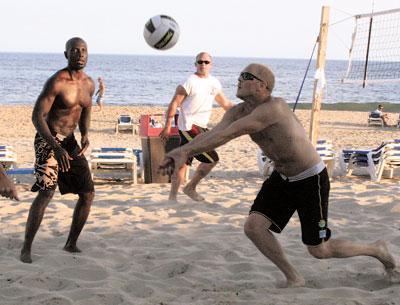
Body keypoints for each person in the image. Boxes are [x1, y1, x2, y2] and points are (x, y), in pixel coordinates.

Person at [159, 63, 399, 287]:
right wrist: (181, 151)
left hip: (309, 178)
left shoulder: (274, 108)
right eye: (240, 76)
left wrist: (185, 150)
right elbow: (215, 133)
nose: (239, 80)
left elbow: (230, 134)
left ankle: (377, 249)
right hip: (281, 176)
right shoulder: (236, 111)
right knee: (254, 227)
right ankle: (294, 277)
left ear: (263, 85)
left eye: (246, 76)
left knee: (319, 250)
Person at [20, 37, 95, 263]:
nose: (79, 55)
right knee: (46, 192)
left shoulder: (89, 84)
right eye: (74, 51)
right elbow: (37, 117)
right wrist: (55, 146)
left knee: (88, 193)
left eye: (83, 51)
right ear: (66, 55)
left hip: (71, 141)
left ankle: (71, 243)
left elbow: (86, 110)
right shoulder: (57, 82)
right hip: (48, 140)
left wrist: (86, 134)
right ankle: (26, 248)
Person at [159, 52, 233, 201]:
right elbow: (174, 102)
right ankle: (190, 188)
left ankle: (172, 197)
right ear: (195, 64)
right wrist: (167, 125)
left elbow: (225, 104)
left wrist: (246, 112)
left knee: (184, 162)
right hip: (188, 126)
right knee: (212, 159)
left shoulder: (214, 83)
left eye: (206, 62)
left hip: (202, 126)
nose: (203, 65)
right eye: (200, 62)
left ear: (211, 65)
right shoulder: (189, 82)